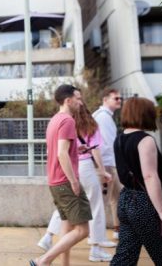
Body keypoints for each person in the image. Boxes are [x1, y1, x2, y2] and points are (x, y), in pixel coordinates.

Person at [110, 97, 162, 265]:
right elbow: (149, 176)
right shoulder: (145, 140)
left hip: (126, 200)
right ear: (145, 114)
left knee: (124, 257)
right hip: (145, 204)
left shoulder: (119, 139)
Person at [37, 104, 115, 262]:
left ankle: (48, 237)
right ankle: (95, 248)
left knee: (65, 219)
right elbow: (93, 150)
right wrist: (100, 170)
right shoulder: (79, 123)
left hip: (61, 174)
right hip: (78, 169)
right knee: (93, 211)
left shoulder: (57, 121)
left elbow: (57, 150)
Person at [30, 84, 91, 266]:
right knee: (82, 230)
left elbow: (58, 149)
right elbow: (61, 153)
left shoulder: (55, 120)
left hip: (55, 181)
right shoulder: (68, 121)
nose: (81, 103)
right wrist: (73, 181)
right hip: (65, 181)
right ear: (68, 100)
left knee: (67, 227)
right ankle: (43, 261)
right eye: (78, 99)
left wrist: (76, 149)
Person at [92, 88, 123, 239]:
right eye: (116, 98)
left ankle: (117, 229)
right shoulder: (103, 117)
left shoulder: (104, 116)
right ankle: (97, 236)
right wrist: (104, 169)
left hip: (108, 164)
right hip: (106, 165)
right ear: (105, 100)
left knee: (117, 196)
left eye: (120, 98)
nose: (119, 100)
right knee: (102, 201)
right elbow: (107, 145)